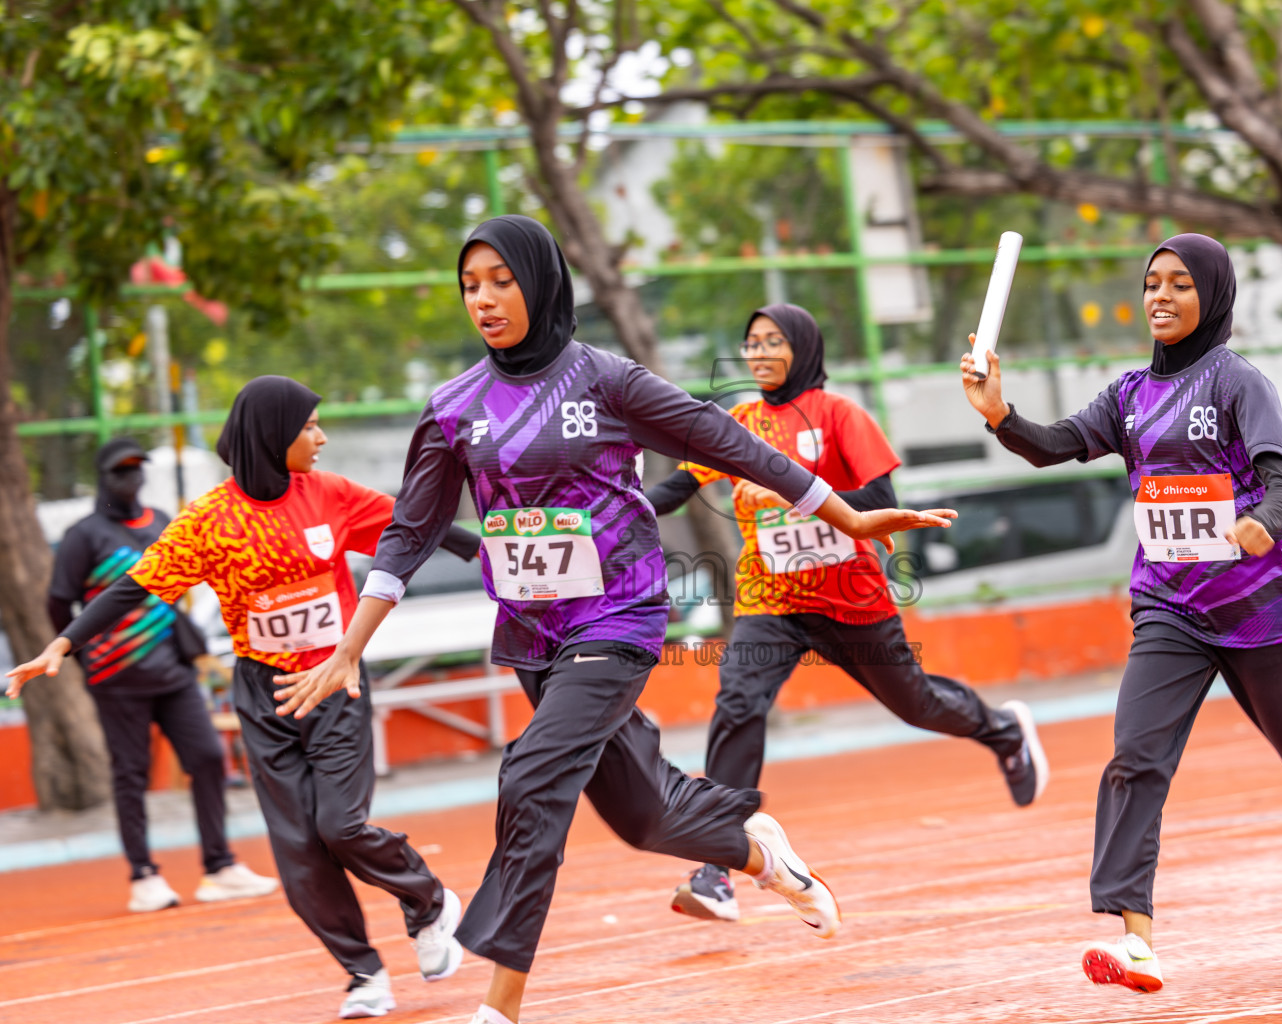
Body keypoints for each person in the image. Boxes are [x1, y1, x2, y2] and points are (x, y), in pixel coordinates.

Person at [269, 215, 956, 1024]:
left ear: (543, 282)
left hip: (619, 616)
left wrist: (851, 518)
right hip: (534, 632)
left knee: (531, 776)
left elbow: (736, 448)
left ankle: (500, 1006)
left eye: (501, 280)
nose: (483, 300)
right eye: (469, 286)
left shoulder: (606, 379)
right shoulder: (455, 407)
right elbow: (410, 532)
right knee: (643, 817)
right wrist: (352, 647)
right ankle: (757, 851)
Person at [958, 233, 1282, 994]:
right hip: (1169, 607)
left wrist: (1264, 521)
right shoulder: (1129, 395)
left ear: (1214, 298)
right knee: (1136, 754)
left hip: (1257, 611)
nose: (1160, 296)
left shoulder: (1238, 383)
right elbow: (1055, 445)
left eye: (1180, 285)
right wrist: (1000, 414)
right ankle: (1135, 940)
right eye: (1152, 282)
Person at [10, 378, 483, 1019]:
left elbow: (419, 527)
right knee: (296, 849)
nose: (321, 438)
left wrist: (507, 562)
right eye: (309, 427)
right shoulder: (210, 521)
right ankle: (363, 973)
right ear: (271, 435)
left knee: (339, 825)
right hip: (264, 694)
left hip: (334, 680)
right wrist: (63, 645)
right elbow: (133, 588)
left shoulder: (332, 495)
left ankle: (428, 902)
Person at [646, 302, 1049, 924]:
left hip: (850, 599)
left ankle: (1002, 730)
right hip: (771, 598)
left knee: (916, 704)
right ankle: (717, 866)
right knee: (737, 703)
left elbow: (880, 498)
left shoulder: (839, 416)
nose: (758, 354)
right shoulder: (739, 422)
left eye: (773, 341)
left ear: (803, 347)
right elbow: (674, 490)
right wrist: (614, 513)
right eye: (750, 343)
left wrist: (792, 489)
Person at [47, 437, 278, 913]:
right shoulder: (83, 535)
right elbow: (58, 600)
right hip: (116, 678)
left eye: (136, 470)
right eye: (119, 472)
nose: (129, 480)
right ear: (103, 478)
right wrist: (85, 655)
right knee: (130, 775)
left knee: (209, 758)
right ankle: (143, 876)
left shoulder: (159, 522)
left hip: (173, 671)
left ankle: (219, 866)